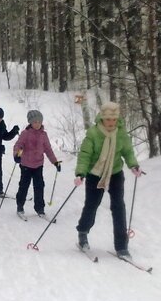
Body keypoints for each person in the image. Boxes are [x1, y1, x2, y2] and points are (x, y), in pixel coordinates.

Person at [73, 102, 141, 259]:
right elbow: (85, 155)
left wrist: (133, 165)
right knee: (92, 205)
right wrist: (80, 173)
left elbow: (128, 152)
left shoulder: (121, 134)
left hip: (115, 172)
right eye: (108, 119)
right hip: (95, 174)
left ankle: (121, 246)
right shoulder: (93, 134)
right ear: (102, 118)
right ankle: (83, 232)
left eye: (114, 119)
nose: (111, 122)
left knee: (118, 207)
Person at [13, 110, 61, 217]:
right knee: (24, 186)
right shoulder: (25, 134)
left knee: (39, 186)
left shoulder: (43, 135)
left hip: (38, 165)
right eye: (35, 122)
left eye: (39, 122)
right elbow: (19, 145)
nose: (37, 124)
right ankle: (20, 206)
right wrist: (17, 154)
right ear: (30, 122)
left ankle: (40, 208)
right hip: (26, 165)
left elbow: (48, 149)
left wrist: (55, 162)